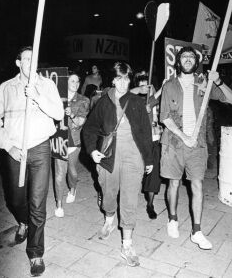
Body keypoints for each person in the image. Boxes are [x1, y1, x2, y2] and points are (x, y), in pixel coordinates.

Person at [0, 46, 64, 277]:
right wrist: (8, 146)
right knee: (15, 197)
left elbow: (59, 114)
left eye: (34, 59)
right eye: (26, 59)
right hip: (14, 150)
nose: (30, 62)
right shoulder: (6, 88)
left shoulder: (47, 85)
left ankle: (36, 253)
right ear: (18, 63)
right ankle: (22, 221)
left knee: (37, 203)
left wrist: (38, 97)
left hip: (40, 148)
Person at [160, 46, 232, 250]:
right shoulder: (169, 86)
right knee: (174, 184)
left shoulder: (204, 84)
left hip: (197, 145)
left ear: (196, 62)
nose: (187, 59)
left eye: (191, 57)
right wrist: (184, 136)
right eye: (184, 56)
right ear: (178, 62)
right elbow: (165, 117)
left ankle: (197, 231)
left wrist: (218, 80)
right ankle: (173, 219)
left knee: (197, 186)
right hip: (174, 145)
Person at [83, 62, 153, 267]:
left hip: (133, 156)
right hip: (108, 156)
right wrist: (92, 150)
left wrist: (148, 159)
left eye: (126, 78)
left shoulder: (136, 102)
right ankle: (109, 219)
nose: (123, 83)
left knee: (130, 199)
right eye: (119, 78)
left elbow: (146, 133)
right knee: (109, 194)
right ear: (112, 79)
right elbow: (89, 129)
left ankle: (127, 244)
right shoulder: (103, 102)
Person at [131, 71, 166, 220]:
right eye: (142, 87)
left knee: (153, 175)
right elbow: (147, 106)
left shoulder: (158, 101)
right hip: (139, 142)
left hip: (155, 141)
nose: (146, 89)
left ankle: (150, 204)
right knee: (136, 173)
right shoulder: (136, 103)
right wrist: (160, 90)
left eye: (148, 86)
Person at [54, 73, 90, 217]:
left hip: (74, 140)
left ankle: (73, 189)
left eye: (77, 81)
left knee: (72, 171)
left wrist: (72, 114)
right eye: (72, 81)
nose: (75, 84)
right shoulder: (56, 98)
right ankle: (59, 205)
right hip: (58, 140)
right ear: (66, 82)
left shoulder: (83, 100)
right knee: (59, 174)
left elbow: (81, 122)